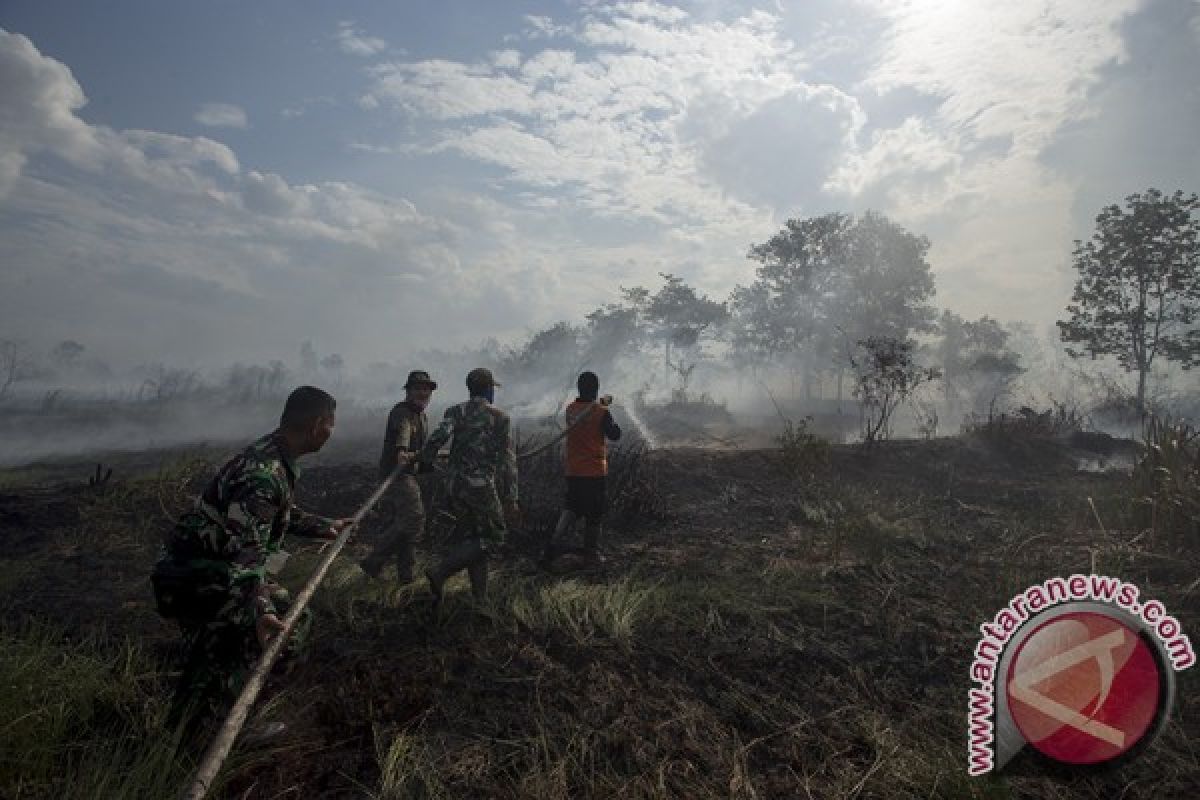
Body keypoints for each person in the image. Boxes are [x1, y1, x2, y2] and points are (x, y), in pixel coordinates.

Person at [151, 386, 350, 734]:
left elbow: (270, 514)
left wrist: (325, 526)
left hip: (208, 568)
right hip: (197, 576)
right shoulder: (264, 474)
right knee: (286, 624)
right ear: (318, 423)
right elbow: (247, 553)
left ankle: (188, 730)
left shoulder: (272, 456)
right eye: (331, 424)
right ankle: (230, 724)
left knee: (217, 652)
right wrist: (262, 610)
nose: (331, 433)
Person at [417, 368, 519, 604]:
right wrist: (512, 498)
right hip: (480, 485)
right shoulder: (500, 417)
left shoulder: (456, 411)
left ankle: (480, 599)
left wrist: (426, 460)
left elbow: (437, 437)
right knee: (494, 537)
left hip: (454, 485)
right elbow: (508, 461)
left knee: (475, 539)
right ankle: (440, 572)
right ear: (488, 389)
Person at [361, 370, 438, 583]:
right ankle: (373, 560)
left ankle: (406, 577)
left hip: (408, 475)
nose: (423, 393)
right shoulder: (401, 412)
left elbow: (421, 450)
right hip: (396, 476)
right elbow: (403, 433)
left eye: (427, 389)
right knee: (414, 520)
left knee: (407, 527)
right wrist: (402, 450)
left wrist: (428, 463)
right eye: (418, 388)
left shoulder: (422, 416)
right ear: (409, 391)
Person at [542, 371, 621, 567]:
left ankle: (552, 545)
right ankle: (591, 554)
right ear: (595, 389)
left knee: (571, 508)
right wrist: (607, 411)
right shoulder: (601, 411)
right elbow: (615, 434)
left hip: (573, 470)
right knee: (594, 514)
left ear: (579, 388)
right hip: (594, 472)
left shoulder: (570, 409)